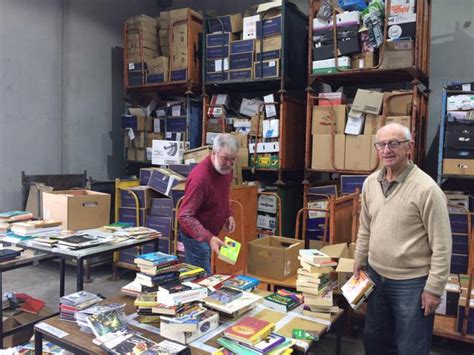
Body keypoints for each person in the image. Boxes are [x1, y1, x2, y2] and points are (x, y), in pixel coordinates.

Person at [353, 123, 451, 355]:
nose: (387, 150)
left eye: (394, 144)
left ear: (409, 147)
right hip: (375, 276)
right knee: (375, 340)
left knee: (411, 347)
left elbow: (442, 245)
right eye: (382, 144)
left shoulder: (427, 190)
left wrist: (434, 290)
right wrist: (359, 259)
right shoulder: (370, 184)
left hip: (411, 283)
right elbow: (366, 226)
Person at [178, 133, 238, 274]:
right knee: (202, 279)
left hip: (210, 233)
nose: (229, 164)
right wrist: (208, 238)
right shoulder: (200, 178)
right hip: (195, 237)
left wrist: (228, 214)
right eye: (225, 159)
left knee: (203, 276)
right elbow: (185, 216)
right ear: (214, 153)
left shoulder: (225, 170)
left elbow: (223, 194)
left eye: (232, 160)